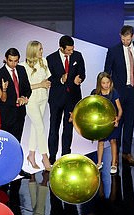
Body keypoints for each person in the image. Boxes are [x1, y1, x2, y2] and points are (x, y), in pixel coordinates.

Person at [104, 25, 134, 167]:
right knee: (118, 122)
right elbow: (107, 72)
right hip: (119, 93)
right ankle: (115, 155)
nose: (125, 41)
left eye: (128, 39)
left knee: (130, 123)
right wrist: (108, 92)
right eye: (123, 39)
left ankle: (127, 153)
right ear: (120, 36)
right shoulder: (113, 50)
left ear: (132, 36)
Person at [47, 35, 86, 163]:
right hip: (56, 98)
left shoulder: (77, 56)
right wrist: (60, 79)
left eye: (72, 49)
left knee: (68, 127)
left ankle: (65, 155)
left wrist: (79, 78)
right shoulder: (50, 59)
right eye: (68, 50)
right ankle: (52, 157)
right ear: (61, 48)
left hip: (72, 98)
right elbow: (49, 78)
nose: (71, 52)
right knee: (54, 128)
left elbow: (82, 73)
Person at [22, 41, 53, 171]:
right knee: (40, 127)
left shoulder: (44, 62)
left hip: (43, 98)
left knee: (36, 127)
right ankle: (45, 157)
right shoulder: (23, 66)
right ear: (33, 51)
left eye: (42, 49)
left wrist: (46, 84)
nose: (42, 51)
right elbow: (24, 86)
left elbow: (47, 78)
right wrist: (40, 85)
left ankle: (31, 155)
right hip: (31, 100)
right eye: (40, 49)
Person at [0, 48, 32, 144]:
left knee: (17, 142)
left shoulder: (21, 69)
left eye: (16, 61)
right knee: (6, 143)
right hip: (7, 115)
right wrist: (15, 101)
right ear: (6, 59)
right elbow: (0, 99)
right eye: (11, 61)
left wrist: (24, 97)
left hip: (20, 113)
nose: (13, 64)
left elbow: (28, 89)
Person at [92, 72, 122, 174]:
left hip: (112, 122)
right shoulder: (95, 93)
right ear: (99, 83)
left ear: (110, 82)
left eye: (108, 82)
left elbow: (120, 109)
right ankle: (99, 162)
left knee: (113, 141)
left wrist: (117, 118)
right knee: (100, 142)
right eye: (103, 83)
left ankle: (113, 164)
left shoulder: (114, 92)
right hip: (101, 124)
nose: (106, 85)